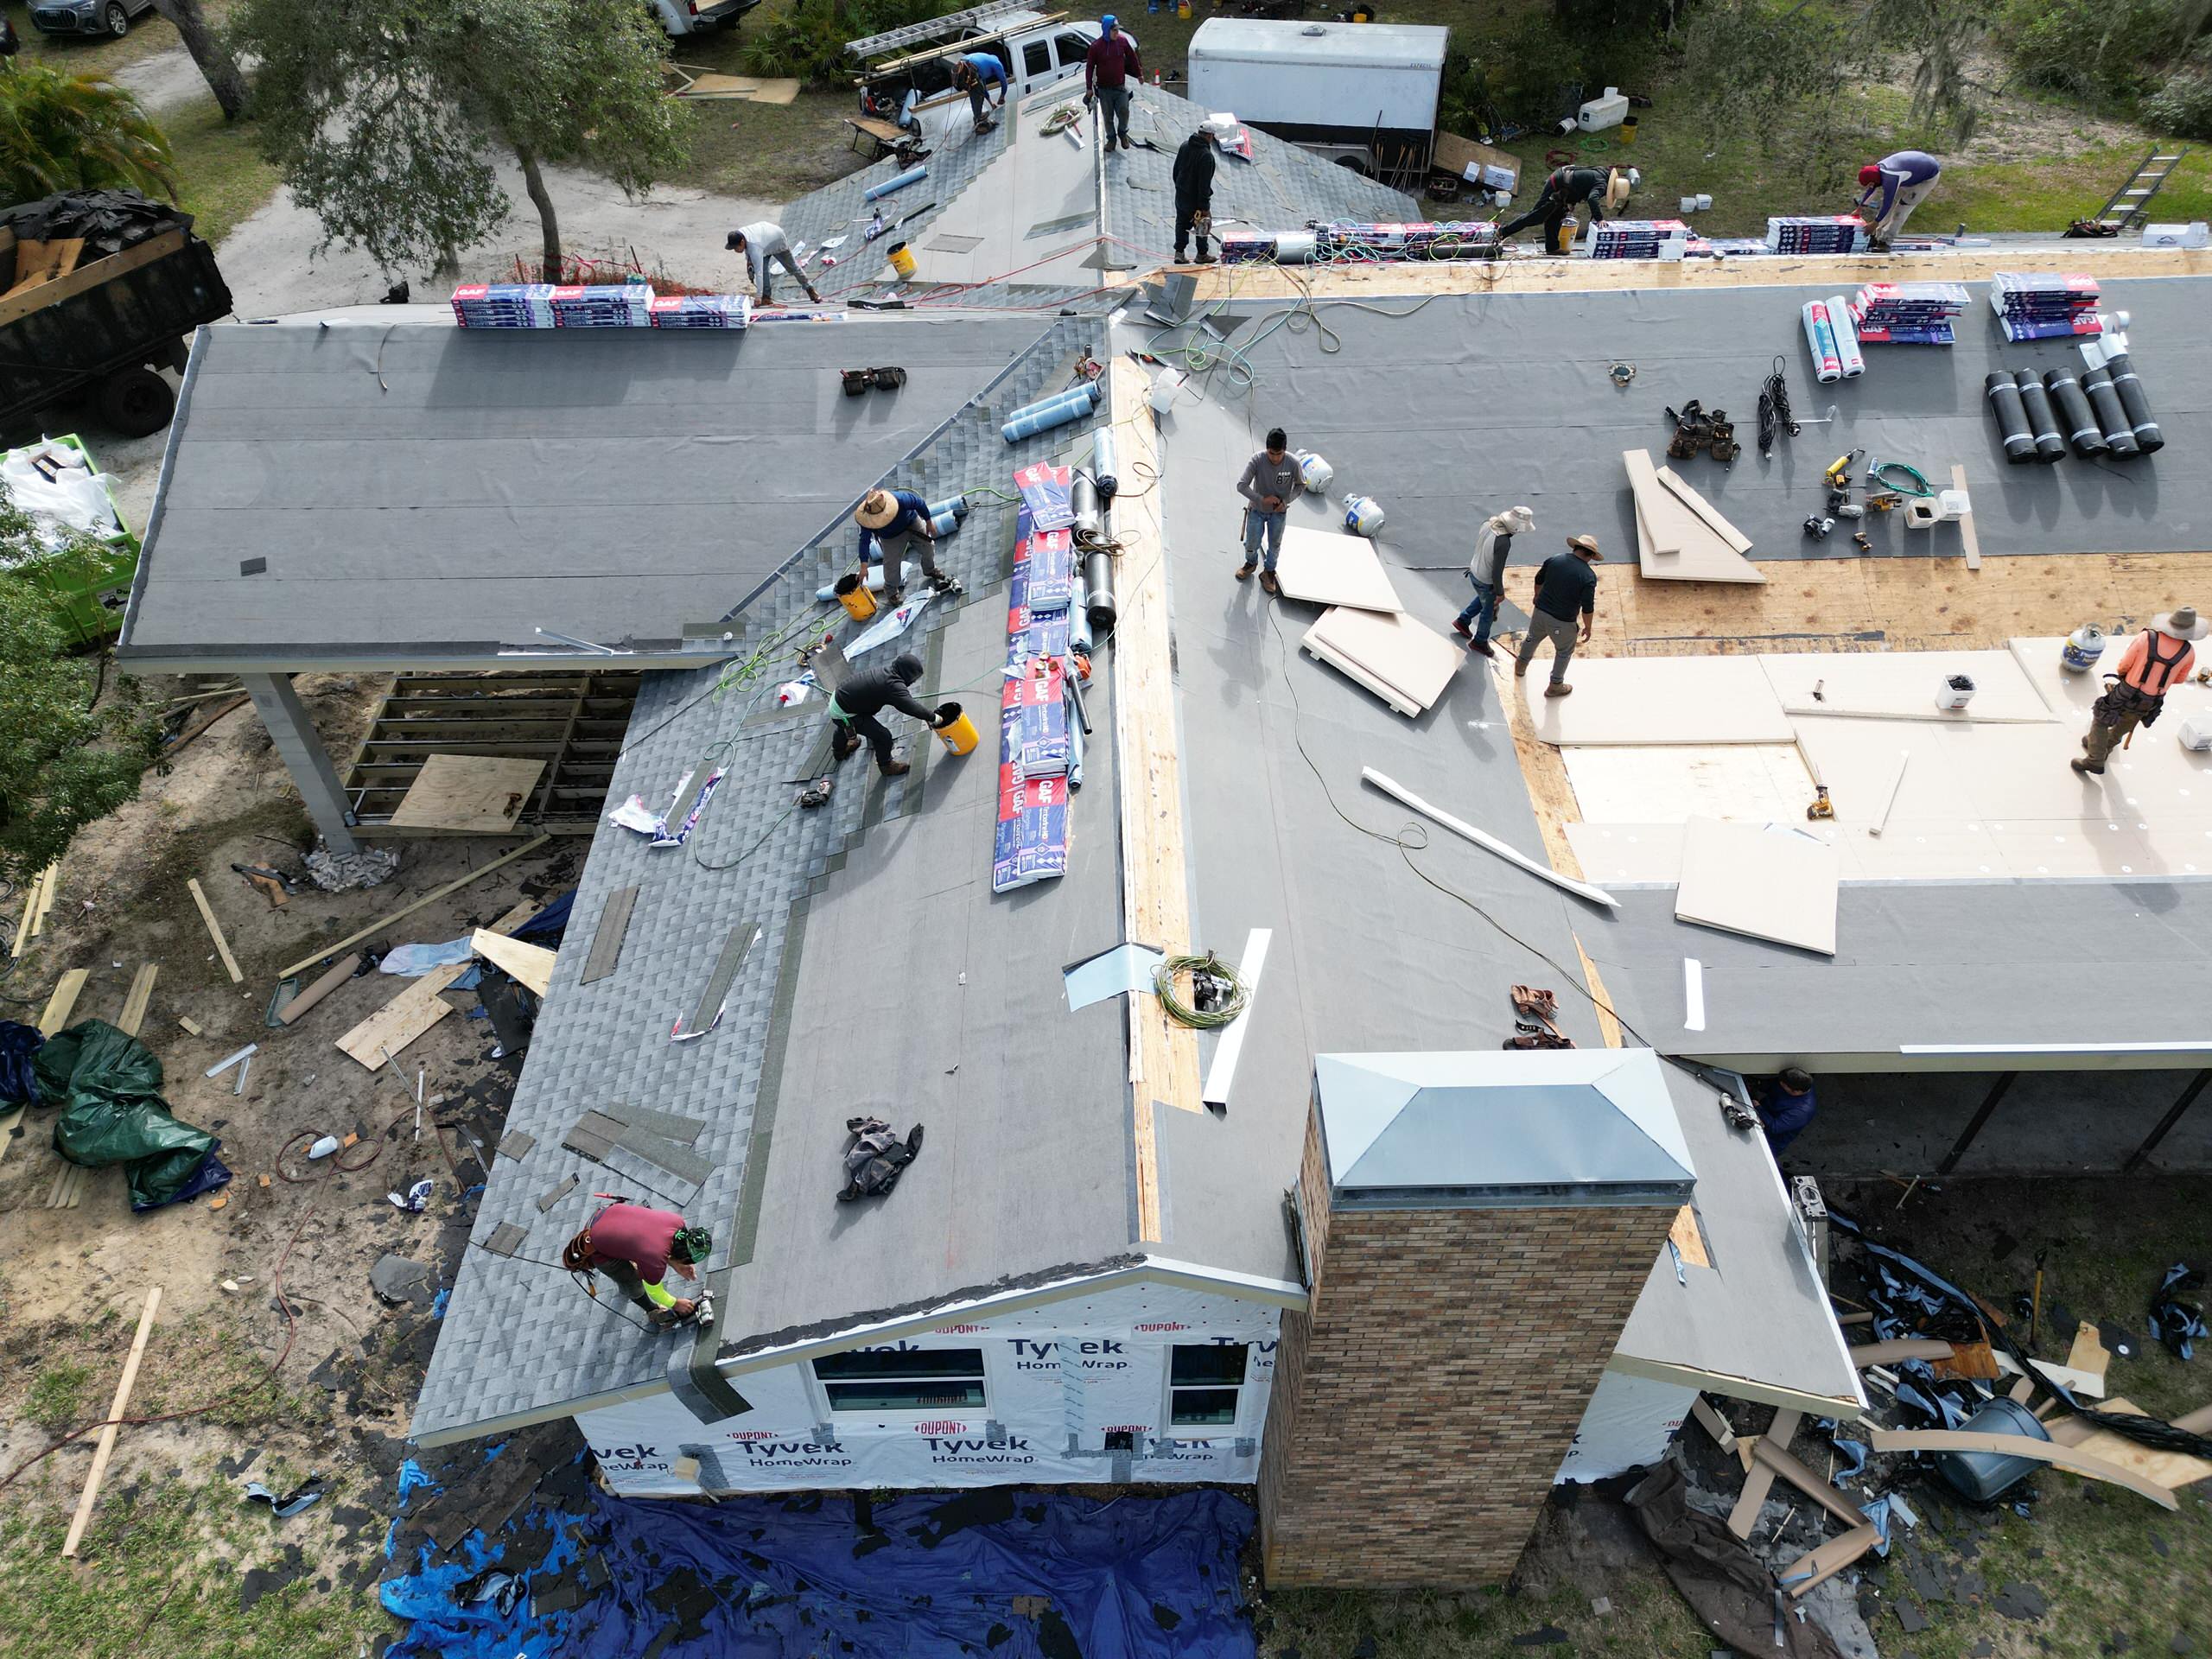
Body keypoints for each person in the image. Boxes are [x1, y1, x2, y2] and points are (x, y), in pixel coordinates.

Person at [2073, 607, 2206, 775]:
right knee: (2126, 723)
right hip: (2151, 700)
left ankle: (2095, 760)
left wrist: (2128, 677)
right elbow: (2179, 679)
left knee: (2101, 720)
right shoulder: (2188, 652)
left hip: (2127, 690)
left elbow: (2124, 665)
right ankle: (2100, 745)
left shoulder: (2146, 638)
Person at [561, 1202, 709, 1327]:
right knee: (632, 1282)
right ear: (678, 1256)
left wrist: (680, 1265)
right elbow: (655, 1291)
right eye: (687, 1261)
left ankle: (634, 1260)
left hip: (605, 1216)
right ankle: (652, 1311)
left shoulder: (678, 1222)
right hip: (598, 1248)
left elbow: (661, 1246)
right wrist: (675, 1303)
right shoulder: (655, 1260)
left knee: (640, 1255)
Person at [829, 652, 950, 777]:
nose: (913, 682)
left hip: (839, 698)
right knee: (883, 736)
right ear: (907, 675)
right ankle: (886, 766)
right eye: (913, 679)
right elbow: (910, 706)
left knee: (845, 726)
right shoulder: (893, 685)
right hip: (844, 713)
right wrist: (933, 717)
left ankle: (839, 751)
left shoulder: (887, 672)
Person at [1513, 534, 1603, 696]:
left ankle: (1520, 666)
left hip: (1540, 612)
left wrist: (1537, 595)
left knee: (1532, 637)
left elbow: (1539, 578)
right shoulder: (1588, 576)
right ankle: (1555, 685)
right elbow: (1587, 607)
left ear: (1575, 548)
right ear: (1590, 555)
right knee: (1564, 651)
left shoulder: (1555, 559)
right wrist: (1588, 627)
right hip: (1563, 622)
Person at [854, 487, 958, 606]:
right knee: (891, 565)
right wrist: (864, 566)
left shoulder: (901, 499)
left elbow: (920, 504)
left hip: (911, 523)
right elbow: (864, 541)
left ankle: (930, 570)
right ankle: (891, 591)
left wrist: (929, 523)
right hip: (890, 537)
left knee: (928, 547)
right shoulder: (867, 519)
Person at [1455, 505, 1532, 659]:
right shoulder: (1503, 542)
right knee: (1488, 612)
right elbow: (1497, 571)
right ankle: (1480, 641)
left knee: (1483, 598)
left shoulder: (1489, 524)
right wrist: (1500, 592)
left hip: (1474, 571)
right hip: (1485, 579)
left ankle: (1463, 620)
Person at [1497, 164, 1628, 252]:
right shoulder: (1602, 184)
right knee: (1537, 216)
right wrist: (1599, 219)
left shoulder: (1602, 174)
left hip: (1563, 182)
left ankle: (1552, 248)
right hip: (1558, 184)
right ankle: (1503, 232)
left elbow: (1581, 184)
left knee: (1555, 216)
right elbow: (1592, 198)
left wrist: (1572, 201)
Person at [1234, 428, 1302, 594]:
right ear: (1267, 449)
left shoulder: (1293, 463)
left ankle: (1269, 572)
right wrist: (1261, 499)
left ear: (1285, 450)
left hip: (1278, 513)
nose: (1275, 458)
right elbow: (1241, 485)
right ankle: (1250, 564)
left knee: (1275, 544)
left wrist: (1285, 502)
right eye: (1271, 453)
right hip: (1257, 510)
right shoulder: (1257, 460)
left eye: (1279, 454)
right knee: (1252, 542)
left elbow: (1301, 485)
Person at [1855, 150, 1942, 249]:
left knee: (1901, 210)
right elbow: (1871, 190)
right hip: (1911, 173)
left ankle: (1886, 241)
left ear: (1874, 179)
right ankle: (1877, 236)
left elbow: (1887, 204)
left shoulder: (1891, 178)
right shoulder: (1876, 170)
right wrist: (1859, 209)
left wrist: (1874, 223)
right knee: (1891, 204)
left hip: (1927, 178)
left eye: (1870, 184)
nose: (1871, 186)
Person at [725, 221, 821, 305]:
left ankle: (811, 290)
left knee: (792, 267)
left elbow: (759, 273)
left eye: (735, 248)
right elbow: (749, 253)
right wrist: (750, 263)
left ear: (742, 242)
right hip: (763, 241)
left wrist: (758, 296)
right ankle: (766, 298)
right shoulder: (740, 235)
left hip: (777, 239)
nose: (735, 250)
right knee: (764, 270)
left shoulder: (755, 246)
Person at [1084, 15, 1142, 151]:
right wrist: (1089, 88)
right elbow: (1090, 67)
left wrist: (1139, 74)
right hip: (1104, 90)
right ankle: (1111, 139)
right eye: (1114, 30)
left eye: (1118, 30)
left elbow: (1132, 58)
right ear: (1106, 30)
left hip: (1120, 87)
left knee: (1124, 111)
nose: (1117, 33)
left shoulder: (1122, 41)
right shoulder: (1096, 47)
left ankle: (1123, 134)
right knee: (1108, 116)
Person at [1172, 127, 1217, 264]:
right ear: (1209, 136)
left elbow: (1176, 170)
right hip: (1195, 199)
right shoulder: (1206, 156)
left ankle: (1179, 253)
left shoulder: (1185, 146)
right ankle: (1202, 254)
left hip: (1181, 195)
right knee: (1203, 223)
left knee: (1181, 223)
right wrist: (1204, 206)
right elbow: (1204, 185)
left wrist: (1180, 188)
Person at [1756, 1068, 1818, 1158]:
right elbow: (1771, 1086)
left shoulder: (1801, 1112)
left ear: (1795, 1092)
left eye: (1783, 1085)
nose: (1780, 1084)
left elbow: (1775, 1127)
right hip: (1762, 1113)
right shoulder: (1797, 1082)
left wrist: (1758, 1107)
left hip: (1769, 1140)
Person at [951, 51, 1009, 131]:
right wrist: (1002, 96)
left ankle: (977, 118)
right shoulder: (997, 64)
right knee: (977, 93)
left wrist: (991, 103)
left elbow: (984, 89)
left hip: (965, 64)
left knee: (975, 92)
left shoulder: (985, 65)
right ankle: (979, 120)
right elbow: (1004, 82)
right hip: (971, 67)